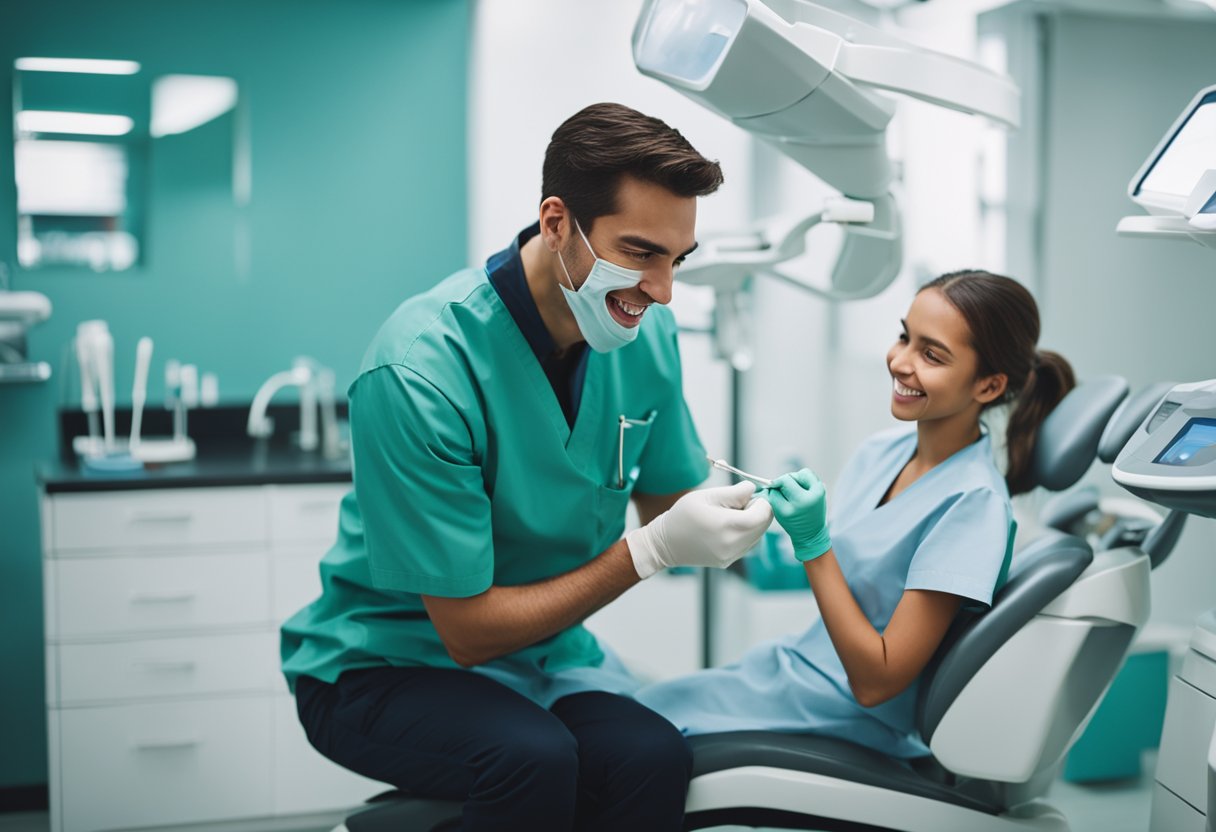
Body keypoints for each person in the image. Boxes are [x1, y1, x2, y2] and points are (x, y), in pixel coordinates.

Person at [279, 102, 773, 831]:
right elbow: (468, 632)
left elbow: (671, 506)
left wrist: (765, 531)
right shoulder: (420, 369)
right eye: (640, 253)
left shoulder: (644, 337)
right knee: (533, 760)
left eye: (677, 260)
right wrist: (652, 551)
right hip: (387, 663)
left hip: (547, 657)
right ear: (556, 223)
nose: (663, 290)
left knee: (653, 757)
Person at [637, 270, 1075, 759]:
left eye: (931, 355)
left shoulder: (974, 506)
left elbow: (876, 682)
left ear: (989, 386)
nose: (900, 362)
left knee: (626, 742)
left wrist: (813, 542)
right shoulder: (883, 451)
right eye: (904, 336)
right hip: (789, 671)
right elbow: (839, 565)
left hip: (846, 714)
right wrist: (733, 534)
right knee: (624, 714)